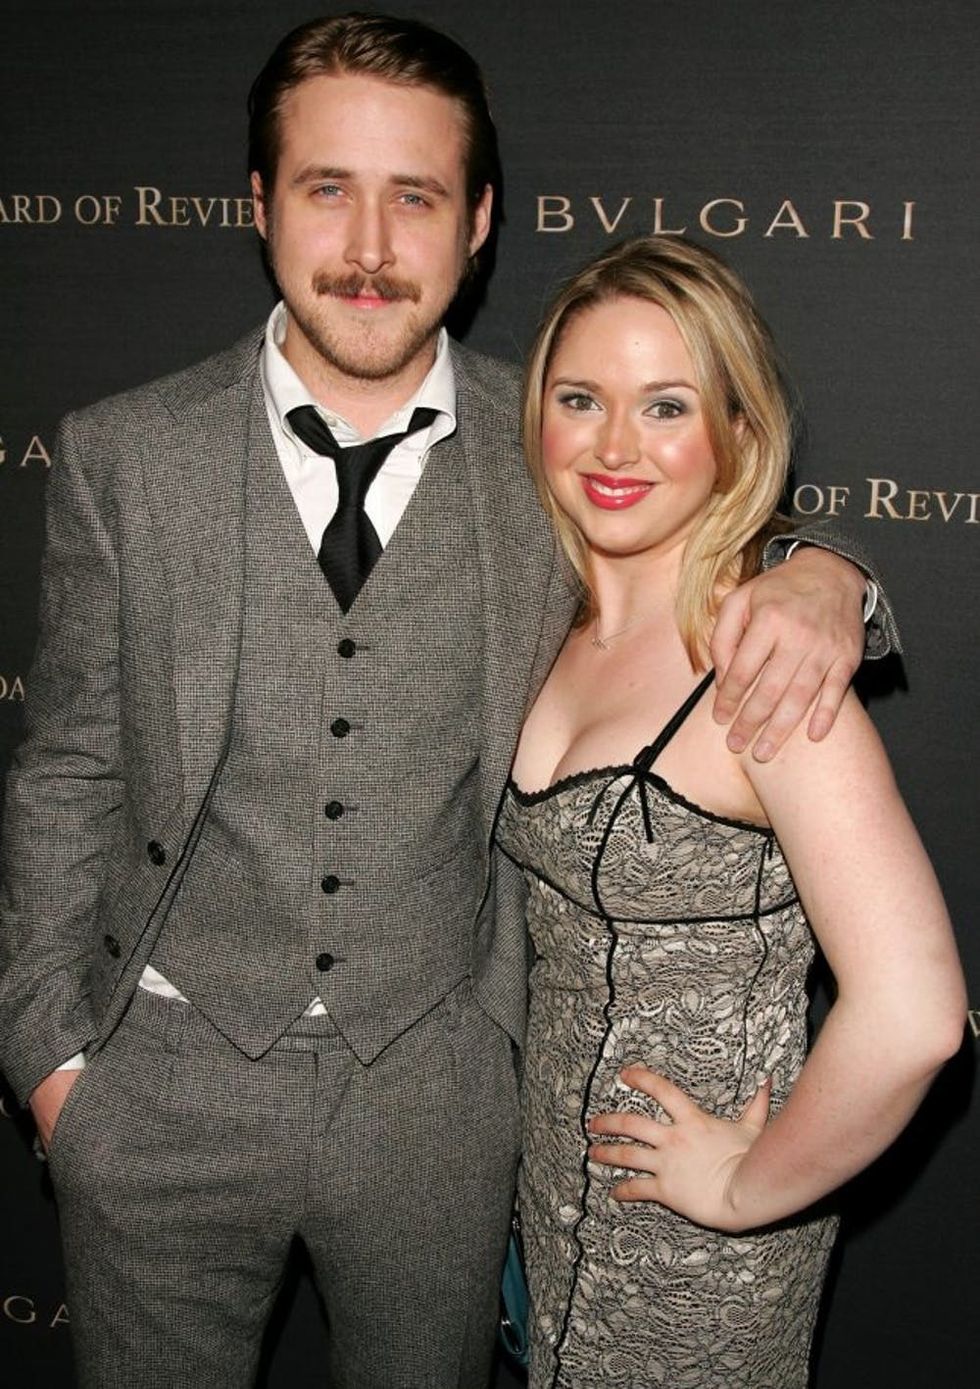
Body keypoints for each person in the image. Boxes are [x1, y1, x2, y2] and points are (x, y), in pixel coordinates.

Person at [0, 14, 894, 1389]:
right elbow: (69, 767)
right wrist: (50, 1059)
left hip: (441, 1103)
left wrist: (831, 575)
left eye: (413, 197)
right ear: (258, 203)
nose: (369, 246)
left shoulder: (548, 450)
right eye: (327, 189)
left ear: (476, 225)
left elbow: (705, 524)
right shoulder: (127, 455)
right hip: (158, 1087)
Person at [497, 234, 966, 1389]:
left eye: (665, 406)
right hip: (544, 1195)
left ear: (738, 438)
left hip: (695, 1254)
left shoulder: (766, 677)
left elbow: (913, 1014)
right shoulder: (540, 620)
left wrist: (745, 1189)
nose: (613, 446)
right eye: (579, 399)